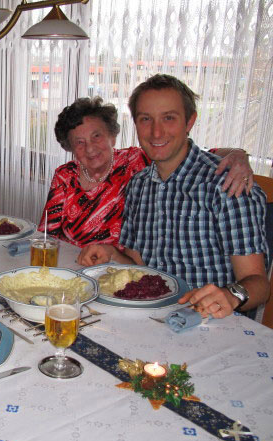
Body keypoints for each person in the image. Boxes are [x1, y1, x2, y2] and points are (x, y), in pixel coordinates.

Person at [78, 74, 269, 318]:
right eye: (146, 119)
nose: (156, 132)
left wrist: (232, 295)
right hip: (150, 316)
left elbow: (259, 284)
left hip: (208, 320)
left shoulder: (226, 184)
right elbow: (139, 265)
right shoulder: (139, 184)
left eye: (169, 118)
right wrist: (112, 254)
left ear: (190, 121)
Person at [39, 97, 253, 247]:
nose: (90, 148)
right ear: (70, 147)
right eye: (80, 142)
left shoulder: (138, 160)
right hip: (72, 269)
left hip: (121, 271)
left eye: (97, 136)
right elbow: (47, 236)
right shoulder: (65, 175)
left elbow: (196, 155)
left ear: (112, 136)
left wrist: (237, 155)